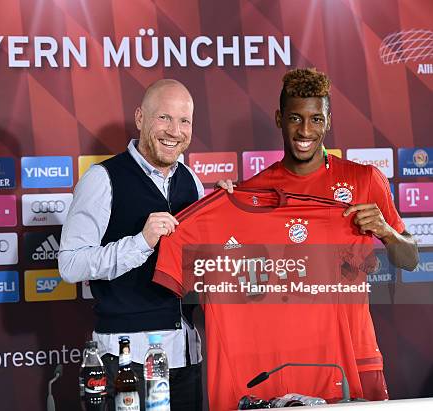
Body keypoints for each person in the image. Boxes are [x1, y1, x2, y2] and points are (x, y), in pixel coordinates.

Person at [229, 67, 419, 400]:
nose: (305, 130)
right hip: (288, 359)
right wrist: (225, 206)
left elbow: (411, 259)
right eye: (295, 118)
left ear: (328, 121)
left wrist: (387, 232)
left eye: (316, 119)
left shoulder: (365, 180)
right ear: (279, 118)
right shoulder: (253, 191)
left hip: (356, 350)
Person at [59, 79, 205, 410]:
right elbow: (70, 265)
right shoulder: (102, 178)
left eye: (184, 121)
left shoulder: (192, 182)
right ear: (140, 118)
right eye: (164, 118)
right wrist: (140, 243)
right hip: (128, 358)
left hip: (185, 355)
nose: (175, 131)